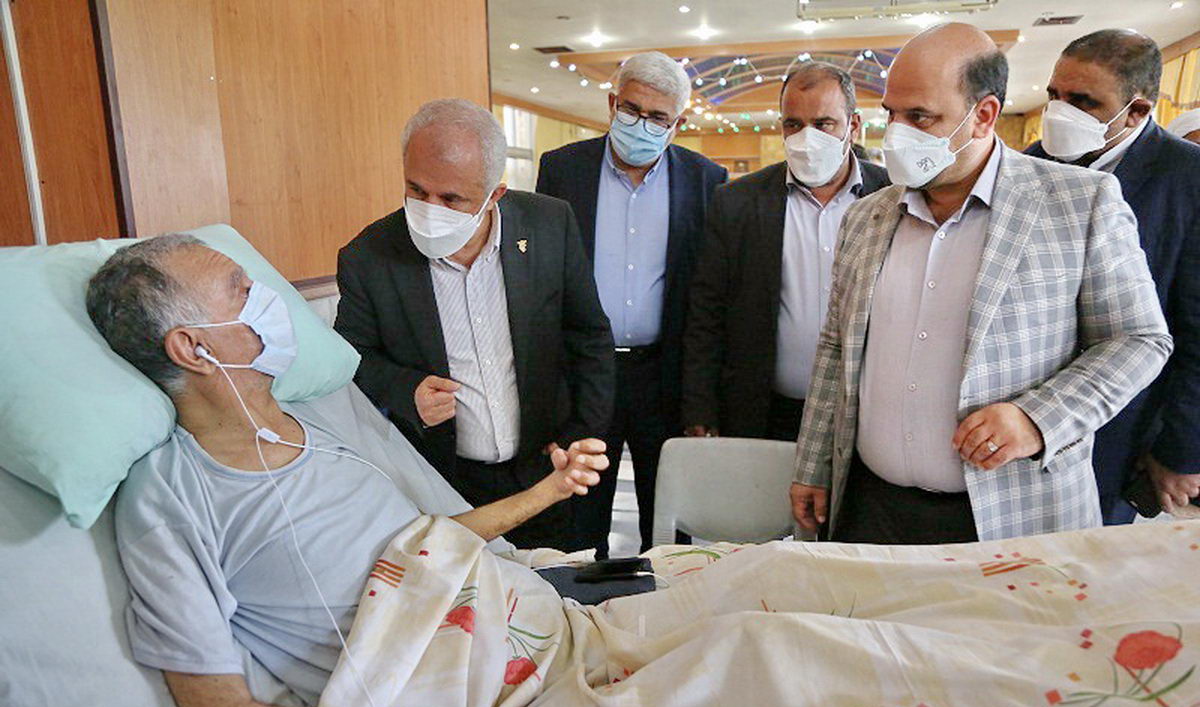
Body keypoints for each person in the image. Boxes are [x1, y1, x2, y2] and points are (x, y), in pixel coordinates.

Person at [85, 235, 609, 707]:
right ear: (192, 348)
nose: (270, 296)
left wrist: (549, 491)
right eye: (241, 290)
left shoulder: (317, 425)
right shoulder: (170, 498)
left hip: (548, 627)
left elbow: (429, 547)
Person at [789, 23, 1172, 544]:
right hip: (871, 507)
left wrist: (1037, 418)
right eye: (891, 114)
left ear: (984, 115)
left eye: (920, 116)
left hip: (1009, 511)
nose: (897, 134)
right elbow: (836, 347)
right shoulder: (866, 217)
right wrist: (813, 465)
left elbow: (1139, 340)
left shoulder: (1080, 202)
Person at [336, 99, 615, 552]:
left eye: (451, 199)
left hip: (545, 468)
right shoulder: (368, 257)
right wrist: (405, 390)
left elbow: (589, 338)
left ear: (494, 195)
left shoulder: (549, 225)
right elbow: (351, 359)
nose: (430, 209)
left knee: (555, 584)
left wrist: (581, 433)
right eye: (416, 189)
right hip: (445, 481)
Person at [536, 52, 726, 556]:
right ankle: (578, 596)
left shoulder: (707, 180)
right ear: (612, 103)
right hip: (585, 372)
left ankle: (670, 597)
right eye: (632, 109)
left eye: (658, 117)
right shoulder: (562, 170)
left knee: (668, 518)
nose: (642, 125)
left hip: (663, 375)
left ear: (678, 123)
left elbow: (709, 295)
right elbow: (543, 285)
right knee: (579, 514)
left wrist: (702, 400)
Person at [1025, 30, 1200, 522]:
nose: (1061, 113)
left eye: (1083, 101)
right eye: (1055, 96)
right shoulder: (1030, 164)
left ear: (1138, 110)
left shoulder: (1188, 177)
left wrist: (1180, 452)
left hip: (1125, 433)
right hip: (1029, 420)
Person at [682, 61, 888, 443]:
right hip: (765, 411)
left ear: (854, 125)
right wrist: (700, 406)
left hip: (868, 415)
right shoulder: (737, 202)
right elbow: (707, 312)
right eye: (793, 124)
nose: (807, 138)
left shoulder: (894, 197)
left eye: (824, 124)